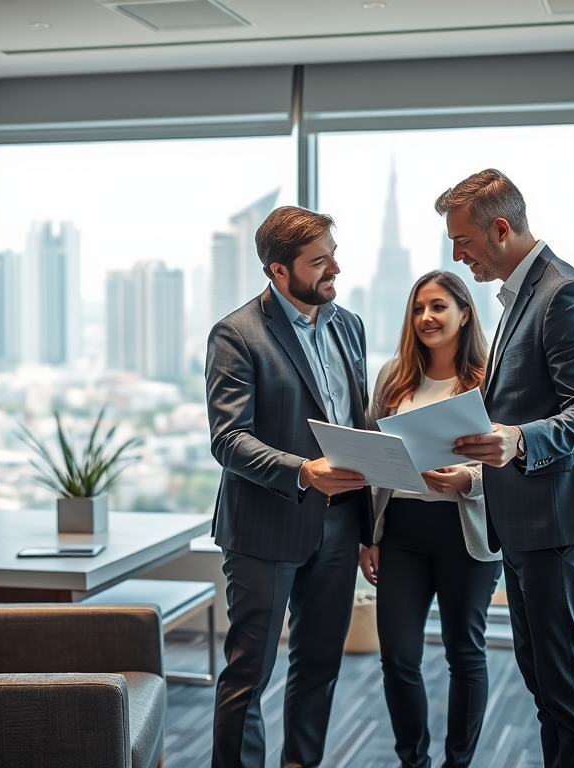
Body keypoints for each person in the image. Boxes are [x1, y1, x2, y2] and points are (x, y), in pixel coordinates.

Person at [438, 170, 574, 768]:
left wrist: (515, 440)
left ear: (501, 227)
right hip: (521, 524)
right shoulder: (522, 295)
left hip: (558, 526)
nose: (457, 256)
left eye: (462, 241)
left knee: (565, 691)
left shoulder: (565, 293)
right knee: (544, 686)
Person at [205, 206, 373, 768]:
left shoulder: (349, 325)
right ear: (278, 271)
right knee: (250, 673)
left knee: (319, 667)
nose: (335, 269)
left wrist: (369, 530)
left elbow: (359, 428)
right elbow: (229, 440)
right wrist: (304, 471)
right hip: (264, 527)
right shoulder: (236, 335)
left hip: (341, 523)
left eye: (333, 254)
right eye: (319, 261)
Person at [360, 269, 501, 768]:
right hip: (400, 531)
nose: (426, 318)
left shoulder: (488, 381)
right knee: (398, 658)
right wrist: (367, 537)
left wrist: (469, 481)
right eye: (419, 308)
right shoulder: (393, 378)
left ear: (465, 312)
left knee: (464, 654)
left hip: (465, 533)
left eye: (439, 306)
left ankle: (457, 762)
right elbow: (372, 460)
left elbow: (509, 463)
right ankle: (412, 761)